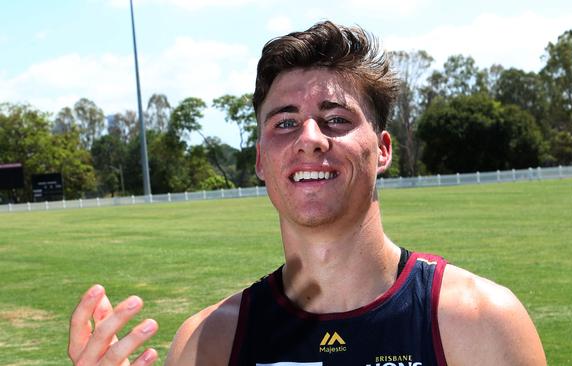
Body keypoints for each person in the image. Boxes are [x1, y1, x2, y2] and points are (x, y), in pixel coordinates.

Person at [68, 21, 546, 366]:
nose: (309, 137)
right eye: (285, 122)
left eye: (336, 119)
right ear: (260, 161)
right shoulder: (209, 343)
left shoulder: (480, 323)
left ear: (382, 150)